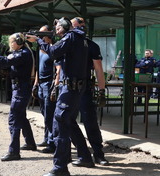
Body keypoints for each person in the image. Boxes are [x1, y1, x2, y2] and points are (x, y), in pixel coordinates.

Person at [27, 17, 93, 176]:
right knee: (68, 121)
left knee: (60, 123)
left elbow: (53, 51)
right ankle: (85, 157)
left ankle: (60, 168)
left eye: (57, 28)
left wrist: (39, 41)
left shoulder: (70, 37)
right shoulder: (80, 39)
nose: (56, 31)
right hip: (75, 87)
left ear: (65, 27)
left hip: (70, 87)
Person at [0, 33, 37, 161]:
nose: (10, 45)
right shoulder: (23, 52)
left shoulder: (23, 53)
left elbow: (6, 62)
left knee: (14, 120)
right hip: (19, 88)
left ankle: (14, 152)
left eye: (12, 42)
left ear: (18, 42)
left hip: (20, 89)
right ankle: (30, 142)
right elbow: (8, 62)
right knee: (21, 117)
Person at [70, 17, 109, 166]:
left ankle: (99, 154)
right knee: (66, 121)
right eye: (76, 25)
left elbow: (98, 70)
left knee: (90, 122)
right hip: (68, 88)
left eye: (82, 24)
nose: (81, 27)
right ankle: (81, 153)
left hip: (84, 88)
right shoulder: (67, 44)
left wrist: (102, 91)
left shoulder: (92, 45)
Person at [32, 25, 56, 153]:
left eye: (42, 33)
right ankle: (47, 138)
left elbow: (58, 68)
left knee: (49, 114)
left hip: (48, 84)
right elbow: (37, 68)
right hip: (41, 84)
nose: (40, 35)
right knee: (44, 112)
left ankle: (52, 142)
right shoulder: (40, 49)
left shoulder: (52, 49)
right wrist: (36, 83)